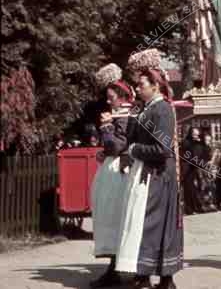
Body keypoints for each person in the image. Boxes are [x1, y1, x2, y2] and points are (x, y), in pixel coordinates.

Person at [116, 53, 183, 289]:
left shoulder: (162, 109)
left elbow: (162, 148)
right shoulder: (146, 109)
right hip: (147, 173)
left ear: (155, 86)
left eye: (141, 84)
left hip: (158, 175)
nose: (136, 88)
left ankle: (163, 278)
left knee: (154, 225)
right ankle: (145, 274)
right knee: (143, 224)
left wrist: (134, 150)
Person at [89, 63, 134, 288]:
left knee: (116, 214)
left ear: (121, 96)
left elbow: (118, 146)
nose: (108, 101)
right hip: (113, 166)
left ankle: (117, 267)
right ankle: (115, 265)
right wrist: (103, 151)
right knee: (111, 215)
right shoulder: (120, 113)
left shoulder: (124, 114)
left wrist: (106, 127)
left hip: (119, 170)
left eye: (111, 96)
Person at [181, 126, 217, 214]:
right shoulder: (186, 142)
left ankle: (200, 206)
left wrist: (204, 144)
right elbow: (187, 153)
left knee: (200, 188)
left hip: (198, 167)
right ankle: (190, 209)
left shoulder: (201, 143)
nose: (195, 136)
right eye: (193, 134)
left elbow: (206, 154)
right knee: (189, 188)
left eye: (197, 135)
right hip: (188, 168)